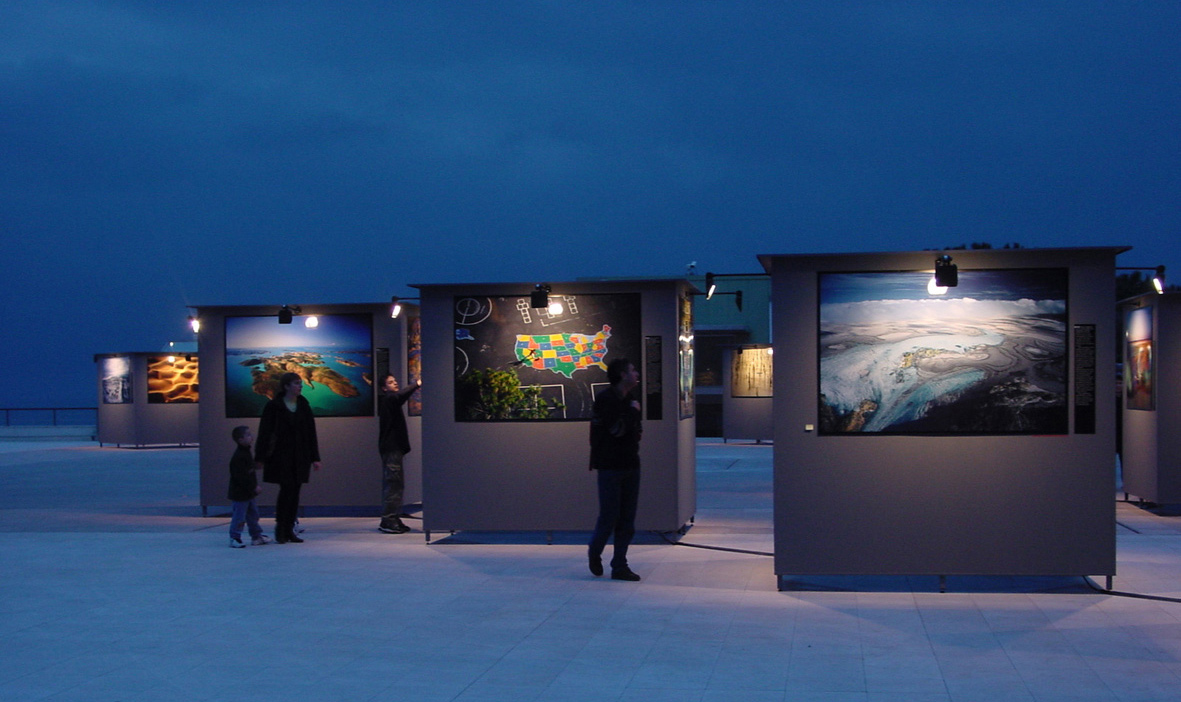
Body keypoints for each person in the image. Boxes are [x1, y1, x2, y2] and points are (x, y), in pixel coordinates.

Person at [587, 357, 643, 581]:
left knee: (627, 519)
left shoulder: (630, 398)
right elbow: (617, 430)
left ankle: (620, 565)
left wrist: (632, 413)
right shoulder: (606, 399)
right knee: (609, 516)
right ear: (622, 375)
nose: (637, 373)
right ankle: (595, 551)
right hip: (611, 466)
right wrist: (632, 412)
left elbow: (635, 432)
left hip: (630, 464)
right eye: (633, 369)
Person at [255, 372, 321, 544]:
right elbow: (265, 432)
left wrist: (315, 457)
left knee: (295, 492)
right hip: (281, 455)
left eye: (300, 383)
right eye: (296, 383)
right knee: (286, 490)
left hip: (300, 456)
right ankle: (281, 528)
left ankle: (289, 529)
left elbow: (310, 432)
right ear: (286, 386)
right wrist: (260, 457)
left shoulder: (303, 404)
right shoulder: (274, 406)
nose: (300, 386)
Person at [378, 374, 421, 534]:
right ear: (384, 388)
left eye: (395, 381)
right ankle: (388, 520)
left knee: (396, 485)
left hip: (394, 449)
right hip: (391, 449)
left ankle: (393, 518)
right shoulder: (389, 400)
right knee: (393, 485)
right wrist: (416, 384)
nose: (394, 383)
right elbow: (399, 397)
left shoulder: (391, 402)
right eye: (390, 382)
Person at [228, 425, 270, 548]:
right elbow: (241, 476)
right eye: (248, 435)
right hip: (240, 494)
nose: (251, 437)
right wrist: (253, 487)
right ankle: (235, 537)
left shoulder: (245, 453)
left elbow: (247, 471)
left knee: (253, 515)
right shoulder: (239, 456)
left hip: (247, 494)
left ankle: (256, 536)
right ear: (240, 440)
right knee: (239, 517)